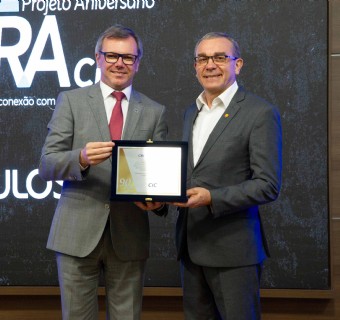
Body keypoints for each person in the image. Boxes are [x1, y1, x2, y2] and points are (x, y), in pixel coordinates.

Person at [39, 25, 168, 320]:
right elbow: (47, 164)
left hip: (129, 235)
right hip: (75, 235)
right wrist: (81, 158)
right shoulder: (71, 101)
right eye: (111, 55)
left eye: (127, 57)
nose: (119, 63)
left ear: (138, 63)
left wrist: (158, 202)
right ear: (97, 59)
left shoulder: (154, 111)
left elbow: (159, 175)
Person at [174, 32, 282, 320]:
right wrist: (158, 198)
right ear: (195, 66)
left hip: (234, 253)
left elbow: (268, 185)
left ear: (238, 64)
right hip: (191, 247)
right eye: (202, 59)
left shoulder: (259, 113)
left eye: (220, 57)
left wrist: (213, 198)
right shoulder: (190, 113)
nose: (210, 65)